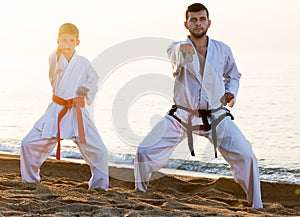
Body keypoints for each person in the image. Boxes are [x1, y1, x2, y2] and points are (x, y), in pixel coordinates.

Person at [134, 3, 263, 208]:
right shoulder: (176, 47)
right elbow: (175, 55)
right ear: (186, 24)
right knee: (144, 151)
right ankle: (140, 193)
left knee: (247, 155)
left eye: (202, 19)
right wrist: (182, 49)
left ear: (208, 22)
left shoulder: (222, 49)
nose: (198, 23)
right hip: (183, 114)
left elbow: (234, 75)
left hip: (216, 114)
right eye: (193, 20)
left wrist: (231, 93)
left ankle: (256, 205)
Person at [20, 23, 109, 190]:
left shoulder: (83, 63)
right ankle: (30, 181)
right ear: (57, 41)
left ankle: (99, 186)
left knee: (100, 151)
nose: (67, 44)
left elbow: (94, 82)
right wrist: (58, 53)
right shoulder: (54, 58)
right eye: (63, 40)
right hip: (56, 111)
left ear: (78, 42)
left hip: (77, 113)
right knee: (28, 144)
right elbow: (53, 73)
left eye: (71, 40)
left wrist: (86, 90)